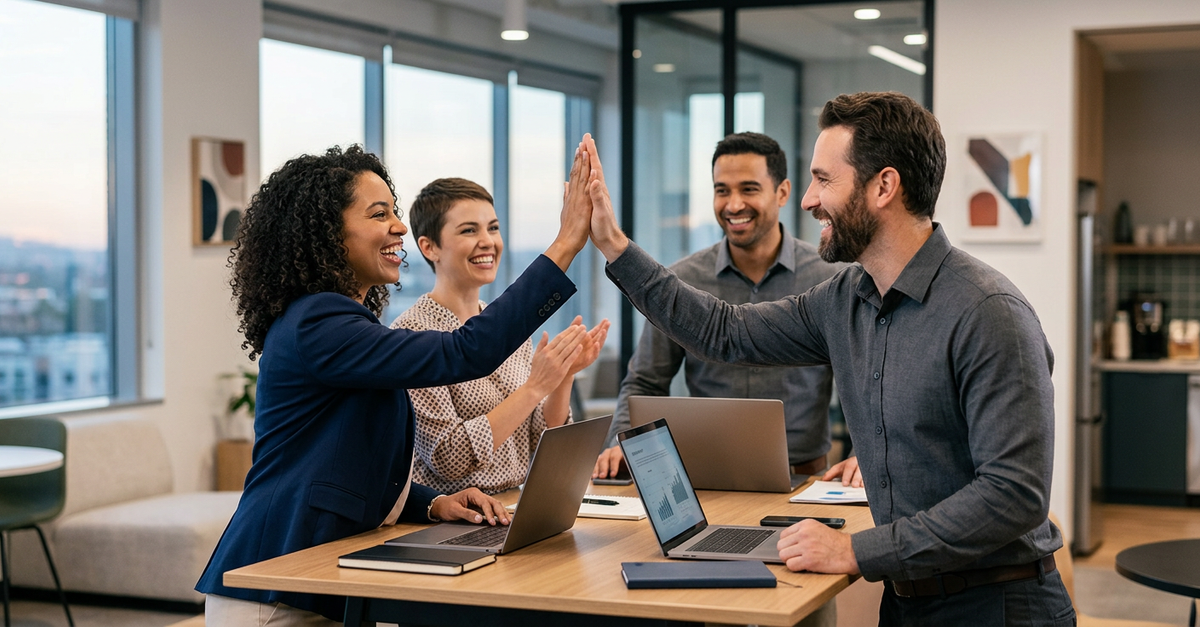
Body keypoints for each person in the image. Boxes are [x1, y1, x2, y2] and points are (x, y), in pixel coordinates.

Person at [579, 94, 1075, 625]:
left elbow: (1014, 494)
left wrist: (857, 551)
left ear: (883, 186)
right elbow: (726, 332)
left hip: (997, 605)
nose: (810, 199)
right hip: (908, 600)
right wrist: (613, 245)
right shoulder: (846, 299)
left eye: (824, 180)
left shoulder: (989, 313)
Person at [196, 142, 597, 625]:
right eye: (378, 213)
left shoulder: (343, 322)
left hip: (319, 579)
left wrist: (432, 504)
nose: (399, 226)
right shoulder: (318, 321)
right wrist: (566, 243)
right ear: (328, 233)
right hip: (275, 583)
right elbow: (463, 351)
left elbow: (350, 461)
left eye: (395, 211)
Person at [592, 132, 853, 485]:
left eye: (748, 189)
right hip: (704, 476)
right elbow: (645, 381)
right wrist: (625, 441)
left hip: (805, 477)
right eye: (721, 190)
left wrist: (862, 457)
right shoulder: (682, 282)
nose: (732, 205)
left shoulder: (829, 278)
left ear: (782, 192)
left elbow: (863, 383)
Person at [392, 177, 609, 495]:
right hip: (454, 519)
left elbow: (539, 441)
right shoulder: (411, 335)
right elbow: (448, 459)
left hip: (514, 504)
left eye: (492, 228)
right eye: (469, 230)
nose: (488, 241)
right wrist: (535, 388)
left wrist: (563, 376)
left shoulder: (509, 329)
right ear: (429, 247)